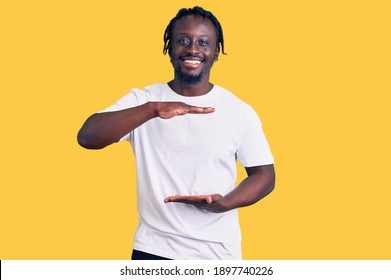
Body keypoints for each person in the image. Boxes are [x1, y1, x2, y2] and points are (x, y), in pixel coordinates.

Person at [77, 6, 275, 260]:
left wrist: (226, 202)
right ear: (169, 48)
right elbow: (87, 137)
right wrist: (154, 109)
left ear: (216, 52)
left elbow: (265, 175)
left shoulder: (239, 111)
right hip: (153, 249)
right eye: (183, 41)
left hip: (217, 253)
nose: (193, 49)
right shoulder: (144, 99)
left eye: (203, 42)